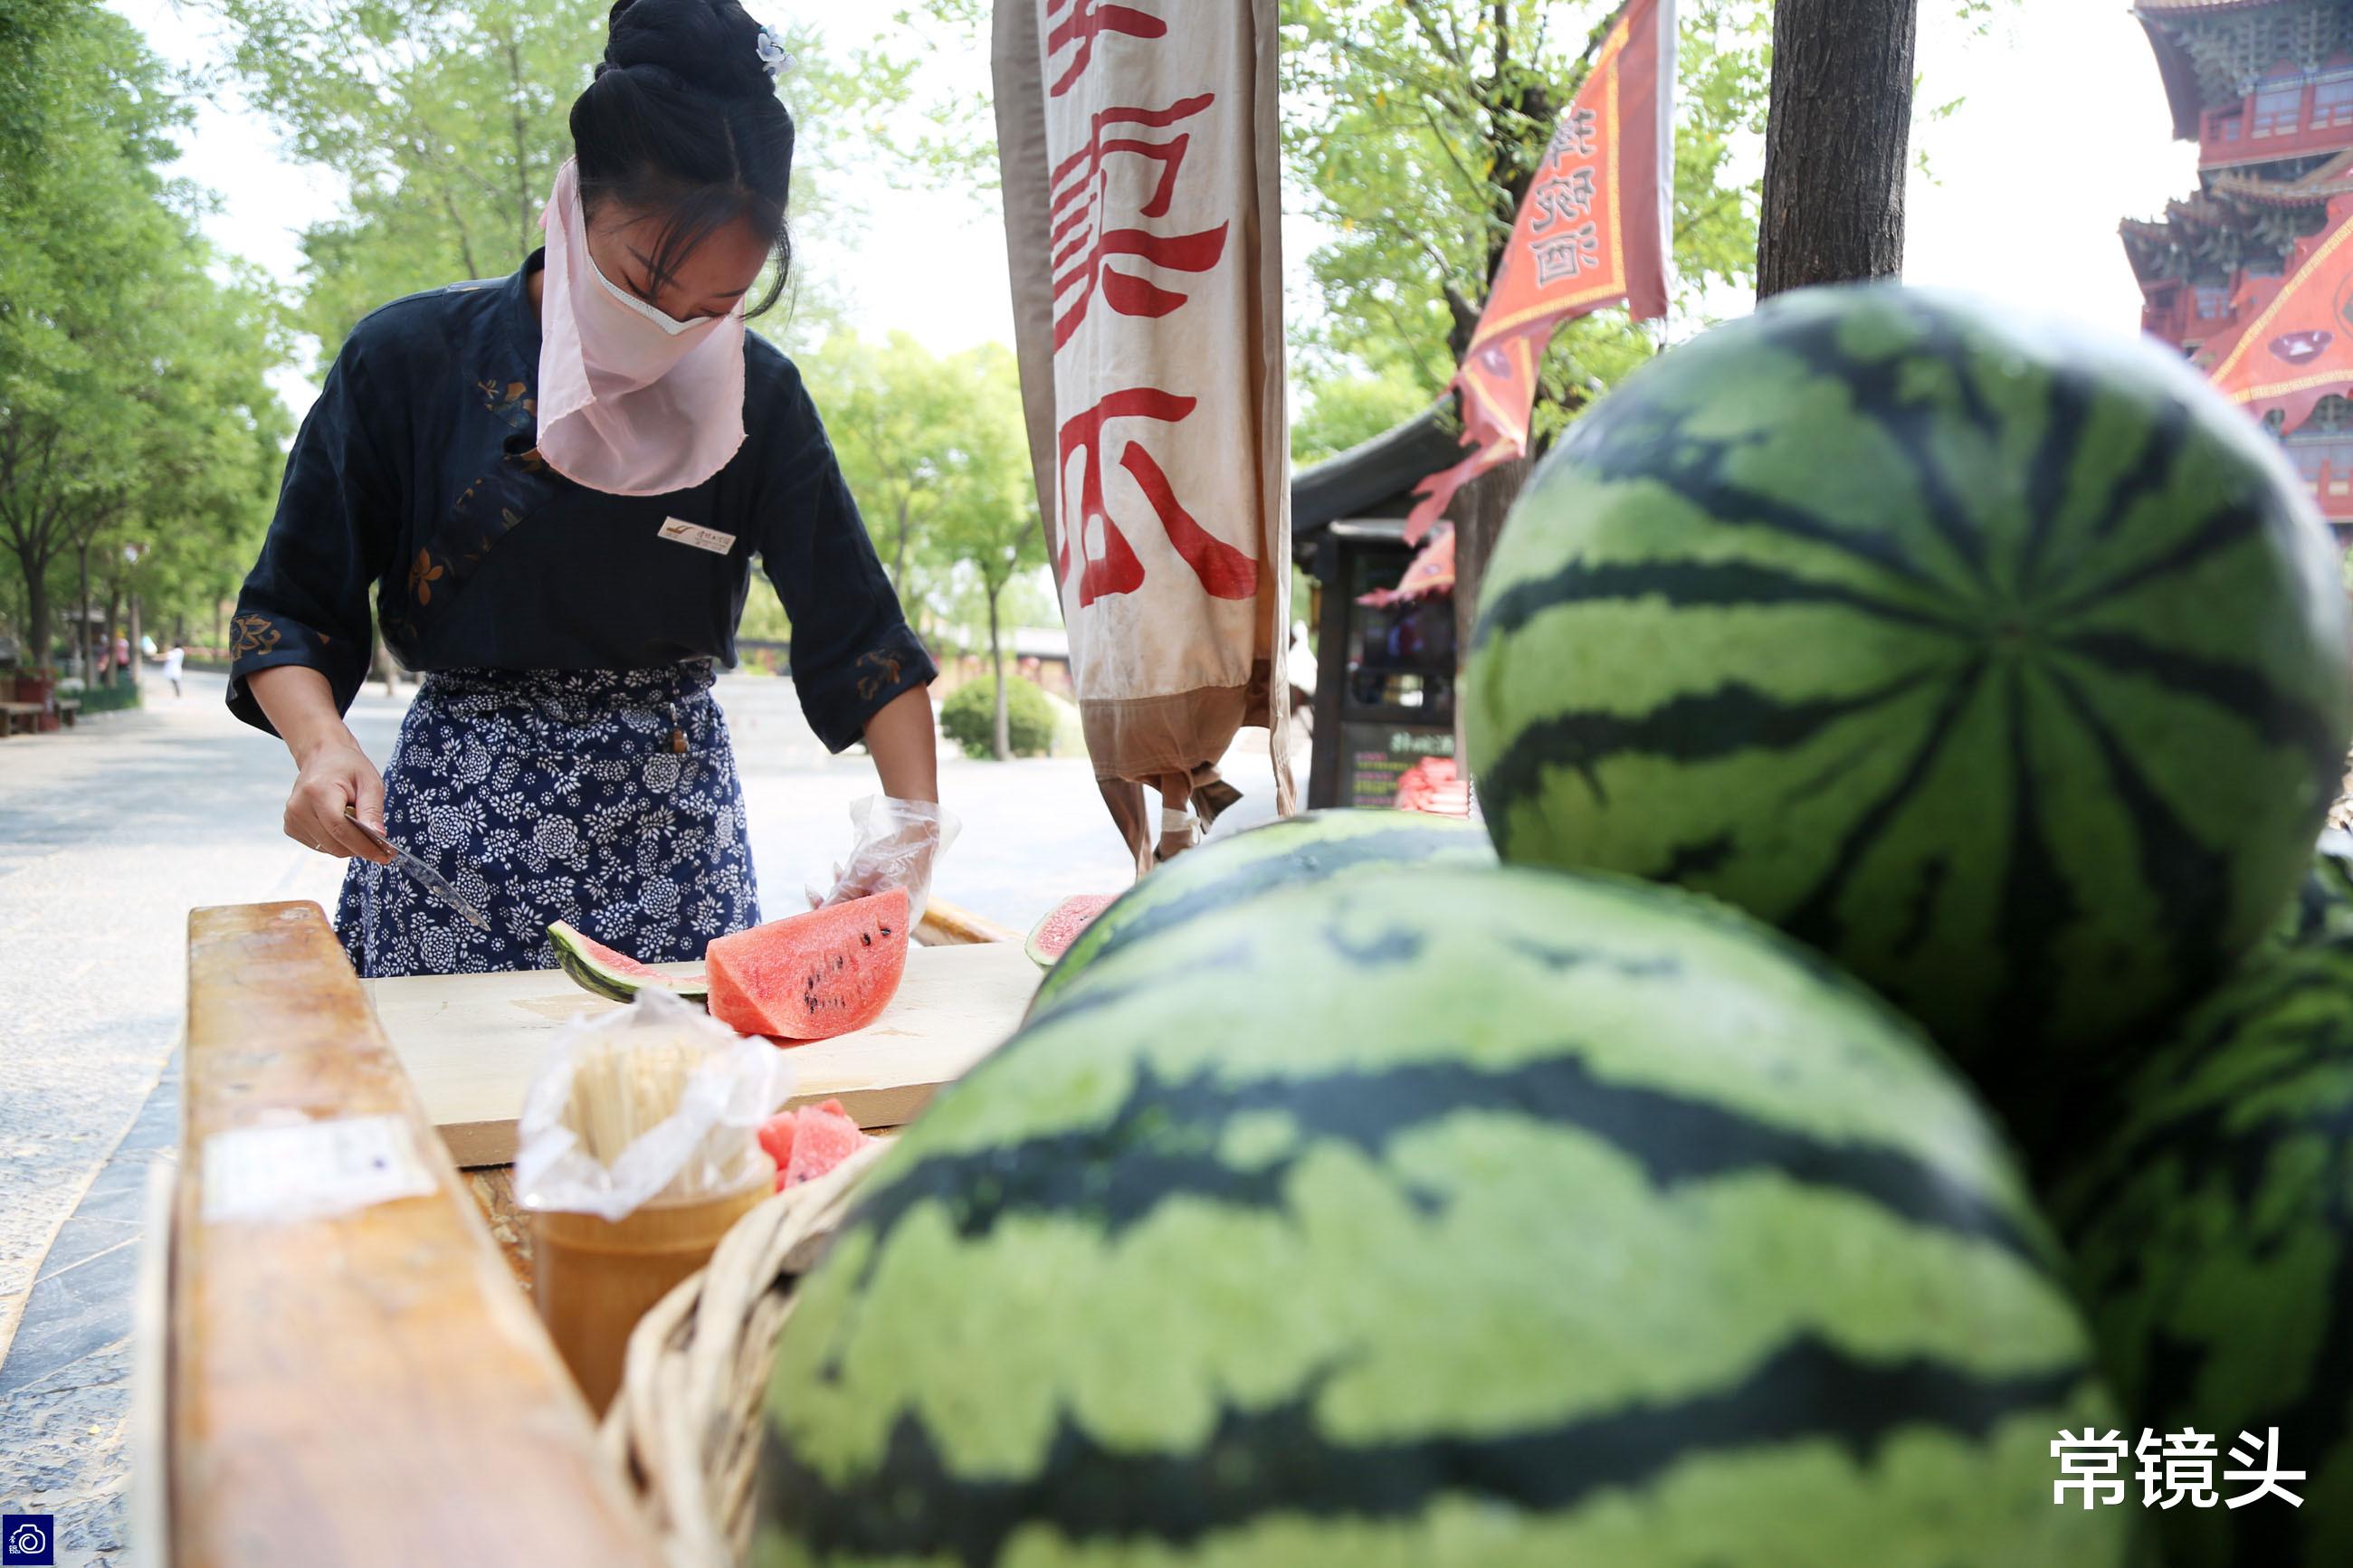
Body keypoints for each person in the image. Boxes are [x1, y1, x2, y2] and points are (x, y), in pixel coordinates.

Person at [226, 0, 941, 979]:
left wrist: (907, 835)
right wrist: (320, 747)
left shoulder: (759, 396)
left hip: (674, 845)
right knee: (453, 1119)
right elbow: (288, 613)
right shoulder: (409, 359)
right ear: (574, 205)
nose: (671, 330)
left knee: (674, 1119)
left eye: (717, 306)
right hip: (453, 840)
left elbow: (863, 639)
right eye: (645, 283)